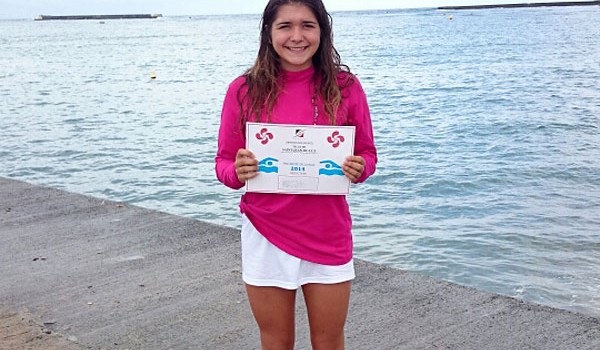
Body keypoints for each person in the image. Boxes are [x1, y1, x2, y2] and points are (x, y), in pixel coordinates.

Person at [215, 0, 377, 349]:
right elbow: (224, 166)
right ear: (268, 33)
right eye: (285, 26)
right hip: (265, 233)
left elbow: (367, 155)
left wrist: (358, 167)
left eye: (308, 25)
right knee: (275, 341)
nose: (297, 36)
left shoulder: (347, 87)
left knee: (329, 342)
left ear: (322, 30)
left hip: (328, 232)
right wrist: (238, 170)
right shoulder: (242, 90)